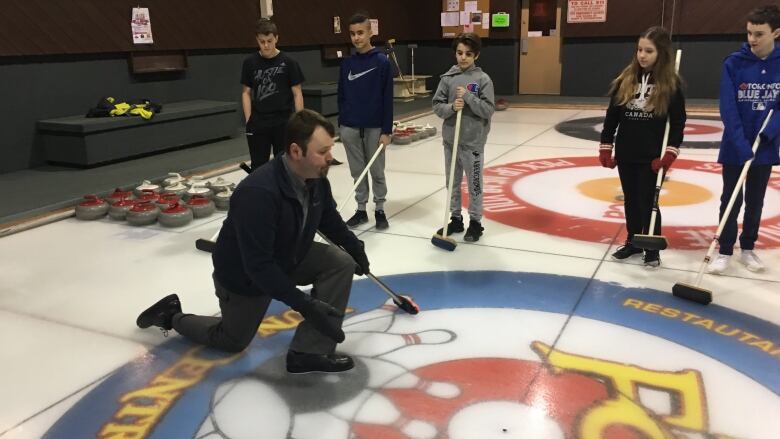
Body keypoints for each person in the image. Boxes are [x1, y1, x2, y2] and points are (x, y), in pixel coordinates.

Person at [136, 109, 370, 374]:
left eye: (331, 149)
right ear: (296, 151)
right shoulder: (258, 193)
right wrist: (305, 305)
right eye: (322, 151)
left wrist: (355, 248)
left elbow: (329, 220)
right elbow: (258, 266)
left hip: (289, 253)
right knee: (232, 340)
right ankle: (170, 315)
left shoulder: (316, 179)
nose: (330, 158)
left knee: (340, 263)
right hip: (245, 276)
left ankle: (308, 352)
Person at [599, 26, 687, 268]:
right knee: (630, 199)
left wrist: (670, 153)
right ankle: (633, 240)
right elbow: (612, 116)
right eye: (639, 50)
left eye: (649, 51)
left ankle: (651, 246)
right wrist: (606, 146)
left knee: (648, 201)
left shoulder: (671, 84)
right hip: (627, 152)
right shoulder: (625, 79)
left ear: (662, 54)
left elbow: (678, 122)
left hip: (652, 156)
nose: (642, 55)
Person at [707, 5, 780, 274]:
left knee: (756, 199)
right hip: (735, 145)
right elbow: (728, 106)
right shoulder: (733, 63)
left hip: (765, 144)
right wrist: (740, 144)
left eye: (759, 34)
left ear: (776, 32)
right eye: (749, 33)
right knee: (730, 198)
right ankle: (725, 249)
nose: (752, 39)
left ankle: (747, 248)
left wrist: (768, 132)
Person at [432, 32, 495, 242]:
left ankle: (475, 222)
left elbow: (488, 109)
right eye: (459, 53)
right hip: (451, 141)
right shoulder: (447, 78)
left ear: (476, 55)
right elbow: (437, 105)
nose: (463, 57)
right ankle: (456, 219)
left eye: (468, 53)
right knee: (452, 182)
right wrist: (451, 107)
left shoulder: (482, 79)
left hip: (473, 143)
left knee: (474, 183)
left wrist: (468, 97)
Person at [338, 11, 394, 230]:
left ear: (370, 32)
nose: (356, 38)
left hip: (375, 127)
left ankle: (379, 208)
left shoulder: (382, 62)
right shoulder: (346, 64)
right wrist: (343, 124)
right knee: (357, 171)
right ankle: (361, 209)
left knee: (377, 170)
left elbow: (387, 99)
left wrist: (386, 130)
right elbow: (341, 96)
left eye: (361, 32)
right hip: (350, 127)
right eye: (352, 34)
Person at [241, 18, 305, 171]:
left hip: (283, 121)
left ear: (277, 38)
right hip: (258, 122)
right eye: (261, 41)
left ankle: (284, 194)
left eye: (269, 41)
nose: (266, 45)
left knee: (285, 165)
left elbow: (297, 93)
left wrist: (300, 121)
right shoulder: (249, 62)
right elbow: (245, 92)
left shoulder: (289, 62)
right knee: (258, 167)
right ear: (257, 40)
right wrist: (249, 119)